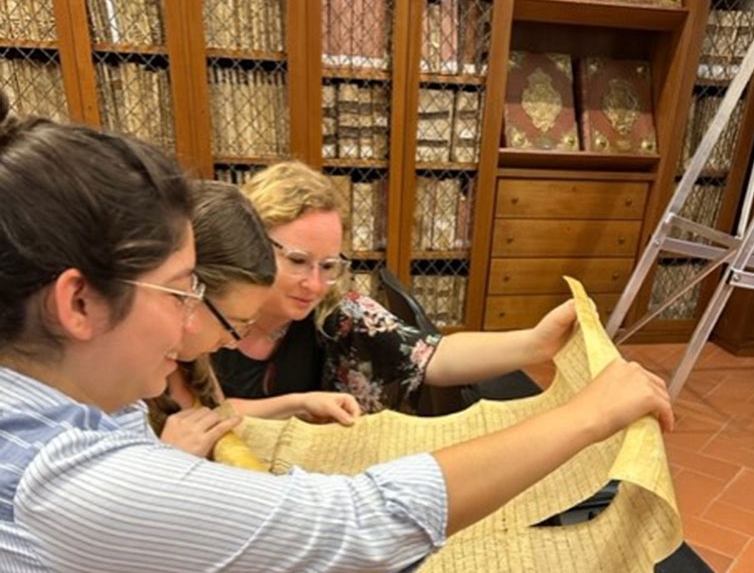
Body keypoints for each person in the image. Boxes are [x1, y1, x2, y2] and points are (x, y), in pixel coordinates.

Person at [0, 95, 673, 573]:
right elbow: (355, 525)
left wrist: (534, 345)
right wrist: (588, 416)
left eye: (328, 265)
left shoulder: (72, 395)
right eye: (182, 292)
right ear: (78, 303)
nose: (190, 326)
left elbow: (424, 355)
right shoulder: (62, 481)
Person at [211, 162, 588, 413]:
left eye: (328, 265)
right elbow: (194, 417)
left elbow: (432, 356)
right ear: (252, 242)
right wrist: (299, 403)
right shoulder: (202, 311)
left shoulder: (336, 310)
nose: (314, 284)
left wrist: (536, 343)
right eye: (296, 261)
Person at [150, 180, 361, 458]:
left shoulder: (191, 363)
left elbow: (220, 413)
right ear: (187, 293)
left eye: (329, 266)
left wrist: (300, 403)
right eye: (232, 323)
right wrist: (169, 460)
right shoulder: (132, 376)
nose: (231, 342)